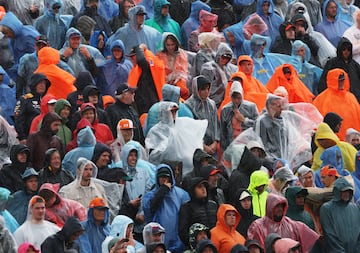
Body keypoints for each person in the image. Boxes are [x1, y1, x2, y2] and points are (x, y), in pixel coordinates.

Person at [247, 193, 319, 251]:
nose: (280, 209)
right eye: (277, 206)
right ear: (269, 206)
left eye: (282, 206)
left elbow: (312, 236)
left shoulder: (291, 224)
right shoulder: (257, 226)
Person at [143, 164, 190, 252]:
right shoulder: (149, 196)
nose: (164, 179)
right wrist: (163, 190)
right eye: (161, 177)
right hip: (157, 242)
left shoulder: (182, 195)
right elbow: (150, 210)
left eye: (166, 177)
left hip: (178, 241)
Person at [313, 68, 360, 141]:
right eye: (339, 80)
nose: (341, 83)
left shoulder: (351, 97)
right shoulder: (322, 99)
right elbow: (315, 121)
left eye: (343, 80)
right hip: (332, 141)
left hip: (353, 141)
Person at [320, 177, 360, 252]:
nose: (347, 194)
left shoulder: (355, 208)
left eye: (349, 191)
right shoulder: (326, 208)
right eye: (344, 191)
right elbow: (329, 234)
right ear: (337, 192)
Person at [185, 75, 219, 157]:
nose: (206, 92)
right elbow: (190, 129)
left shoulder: (211, 104)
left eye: (208, 89)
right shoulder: (189, 105)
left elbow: (216, 125)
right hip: (197, 147)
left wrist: (215, 142)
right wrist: (203, 146)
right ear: (196, 90)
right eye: (203, 89)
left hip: (212, 147)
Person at [127, 44, 166, 115]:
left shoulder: (147, 69)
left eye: (133, 56)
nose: (131, 59)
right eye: (130, 57)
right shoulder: (137, 70)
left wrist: (140, 48)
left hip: (150, 104)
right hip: (141, 105)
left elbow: (141, 60)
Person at [318, 37, 360, 103]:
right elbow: (323, 82)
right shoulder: (332, 64)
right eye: (344, 49)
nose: (346, 51)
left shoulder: (355, 65)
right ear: (340, 50)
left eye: (349, 49)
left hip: (354, 100)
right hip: (335, 100)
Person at [179, 177, 218, 248]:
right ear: (193, 190)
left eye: (205, 187)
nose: (203, 189)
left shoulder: (213, 205)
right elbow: (183, 232)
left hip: (214, 245)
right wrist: (194, 246)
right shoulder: (187, 207)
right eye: (200, 187)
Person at [220, 81, 258, 152]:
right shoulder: (225, 110)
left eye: (239, 98)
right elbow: (223, 132)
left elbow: (258, 126)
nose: (236, 101)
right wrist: (224, 150)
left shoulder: (251, 107)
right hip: (232, 146)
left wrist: (244, 120)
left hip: (248, 146)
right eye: (234, 98)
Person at [14, 73, 50, 143]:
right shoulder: (24, 99)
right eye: (40, 83)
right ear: (34, 84)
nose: (42, 85)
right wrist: (22, 137)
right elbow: (18, 118)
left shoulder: (47, 100)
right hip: (28, 138)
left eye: (44, 83)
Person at [201, 42, 237, 108]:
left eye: (227, 58)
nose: (224, 60)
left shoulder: (231, 68)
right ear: (218, 55)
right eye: (223, 57)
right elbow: (205, 87)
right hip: (213, 102)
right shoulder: (208, 68)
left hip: (228, 101)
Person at [156, 33, 190, 100]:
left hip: (179, 83)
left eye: (172, 44)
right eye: (168, 45)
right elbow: (158, 72)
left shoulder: (181, 54)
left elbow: (184, 71)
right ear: (164, 45)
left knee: (183, 89)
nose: (170, 47)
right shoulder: (159, 56)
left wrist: (176, 76)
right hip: (164, 84)